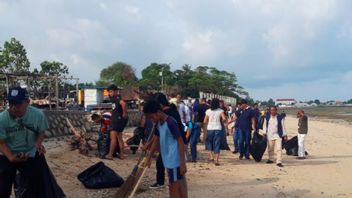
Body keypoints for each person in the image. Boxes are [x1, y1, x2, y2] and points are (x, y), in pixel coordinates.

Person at [0, 87, 56, 197]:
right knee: (2, 187)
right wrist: (11, 157)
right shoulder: (2, 119)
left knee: (31, 188)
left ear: (27, 102)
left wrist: (38, 144)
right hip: (6, 154)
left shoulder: (38, 115)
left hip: (29, 153)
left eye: (17, 104)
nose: (13, 108)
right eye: (11, 103)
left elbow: (41, 131)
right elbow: (1, 142)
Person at [143, 100, 188, 198]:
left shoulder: (170, 122)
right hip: (168, 159)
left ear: (158, 112)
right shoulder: (159, 123)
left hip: (175, 160)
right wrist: (149, 157)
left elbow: (181, 143)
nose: (152, 120)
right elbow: (156, 140)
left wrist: (182, 163)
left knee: (174, 187)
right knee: (177, 185)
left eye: (152, 117)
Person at [106, 84, 128, 160]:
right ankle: (122, 155)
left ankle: (110, 154)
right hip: (120, 120)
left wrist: (124, 113)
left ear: (116, 91)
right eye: (109, 92)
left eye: (111, 91)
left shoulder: (116, 97)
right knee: (119, 137)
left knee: (113, 137)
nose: (110, 93)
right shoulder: (115, 97)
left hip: (117, 119)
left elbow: (123, 104)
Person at [204, 98, 227, 166]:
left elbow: (205, 121)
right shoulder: (220, 111)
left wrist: (210, 122)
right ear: (217, 104)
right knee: (217, 143)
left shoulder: (208, 111)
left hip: (210, 128)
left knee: (209, 142)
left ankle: (211, 156)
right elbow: (224, 119)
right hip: (218, 128)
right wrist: (220, 121)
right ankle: (216, 160)